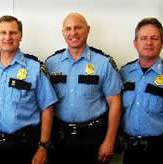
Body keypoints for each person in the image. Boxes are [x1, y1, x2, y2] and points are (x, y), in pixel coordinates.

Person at [0, 15, 58, 164]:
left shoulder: (35, 68)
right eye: (3, 32)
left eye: (13, 32)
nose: (7, 37)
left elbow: (48, 108)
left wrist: (43, 147)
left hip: (25, 148)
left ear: (20, 36)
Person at [45, 12, 122, 164]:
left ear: (88, 29)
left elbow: (115, 102)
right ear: (63, 33)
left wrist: (109, 141)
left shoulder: (103, 62)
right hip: (60, 138)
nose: (73, 33)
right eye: (68, 29)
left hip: (94, 138)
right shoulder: (51, 63)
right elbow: (45, 105)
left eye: (78, 28)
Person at [119, 17, 163, 164]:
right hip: (128, 151)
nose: (149, 42)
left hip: (160, 151)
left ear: (162, 43)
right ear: (135, 43)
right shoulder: (124, 73)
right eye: (144, 38)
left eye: (154, 38)